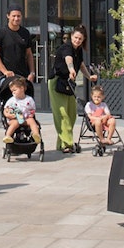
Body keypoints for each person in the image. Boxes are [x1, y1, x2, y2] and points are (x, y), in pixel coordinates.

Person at [49, 24, 98, 153]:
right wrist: (71, 69)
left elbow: (80, 65)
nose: (77, 40)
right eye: (75, 38)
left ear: (83, 40)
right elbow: (68, 60)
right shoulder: (66, 47)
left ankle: (61, 144)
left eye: (80, 39)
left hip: (69, 84)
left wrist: (89, 76)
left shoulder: (78, 50)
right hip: (56, 82)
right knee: (62, 114)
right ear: (71, 36)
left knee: (72, 114)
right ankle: (68, 144)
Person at [0, 4, 35, 99]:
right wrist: (5, 71)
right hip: (7, 78)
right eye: (13, 16)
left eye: (18, 16)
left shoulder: (25, 33)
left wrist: (32, 72)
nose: (16, 18)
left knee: (24, 107)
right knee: (8, 109)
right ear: (8, 16)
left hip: (23, 77)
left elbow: (29, 54)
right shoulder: (0, 33)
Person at [1, 77, 40, 143]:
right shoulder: (12, 100)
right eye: (12, 91)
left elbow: (32, 109)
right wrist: (8, 115)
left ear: (22, 88)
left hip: (25, 118)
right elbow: (6, 109)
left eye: (15, 90)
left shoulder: (29, 99)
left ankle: (36, 134)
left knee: (32, 121)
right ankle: (8, 136)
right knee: (15, 123)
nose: (13, 92)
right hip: (14, 118)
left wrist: (31, 114)